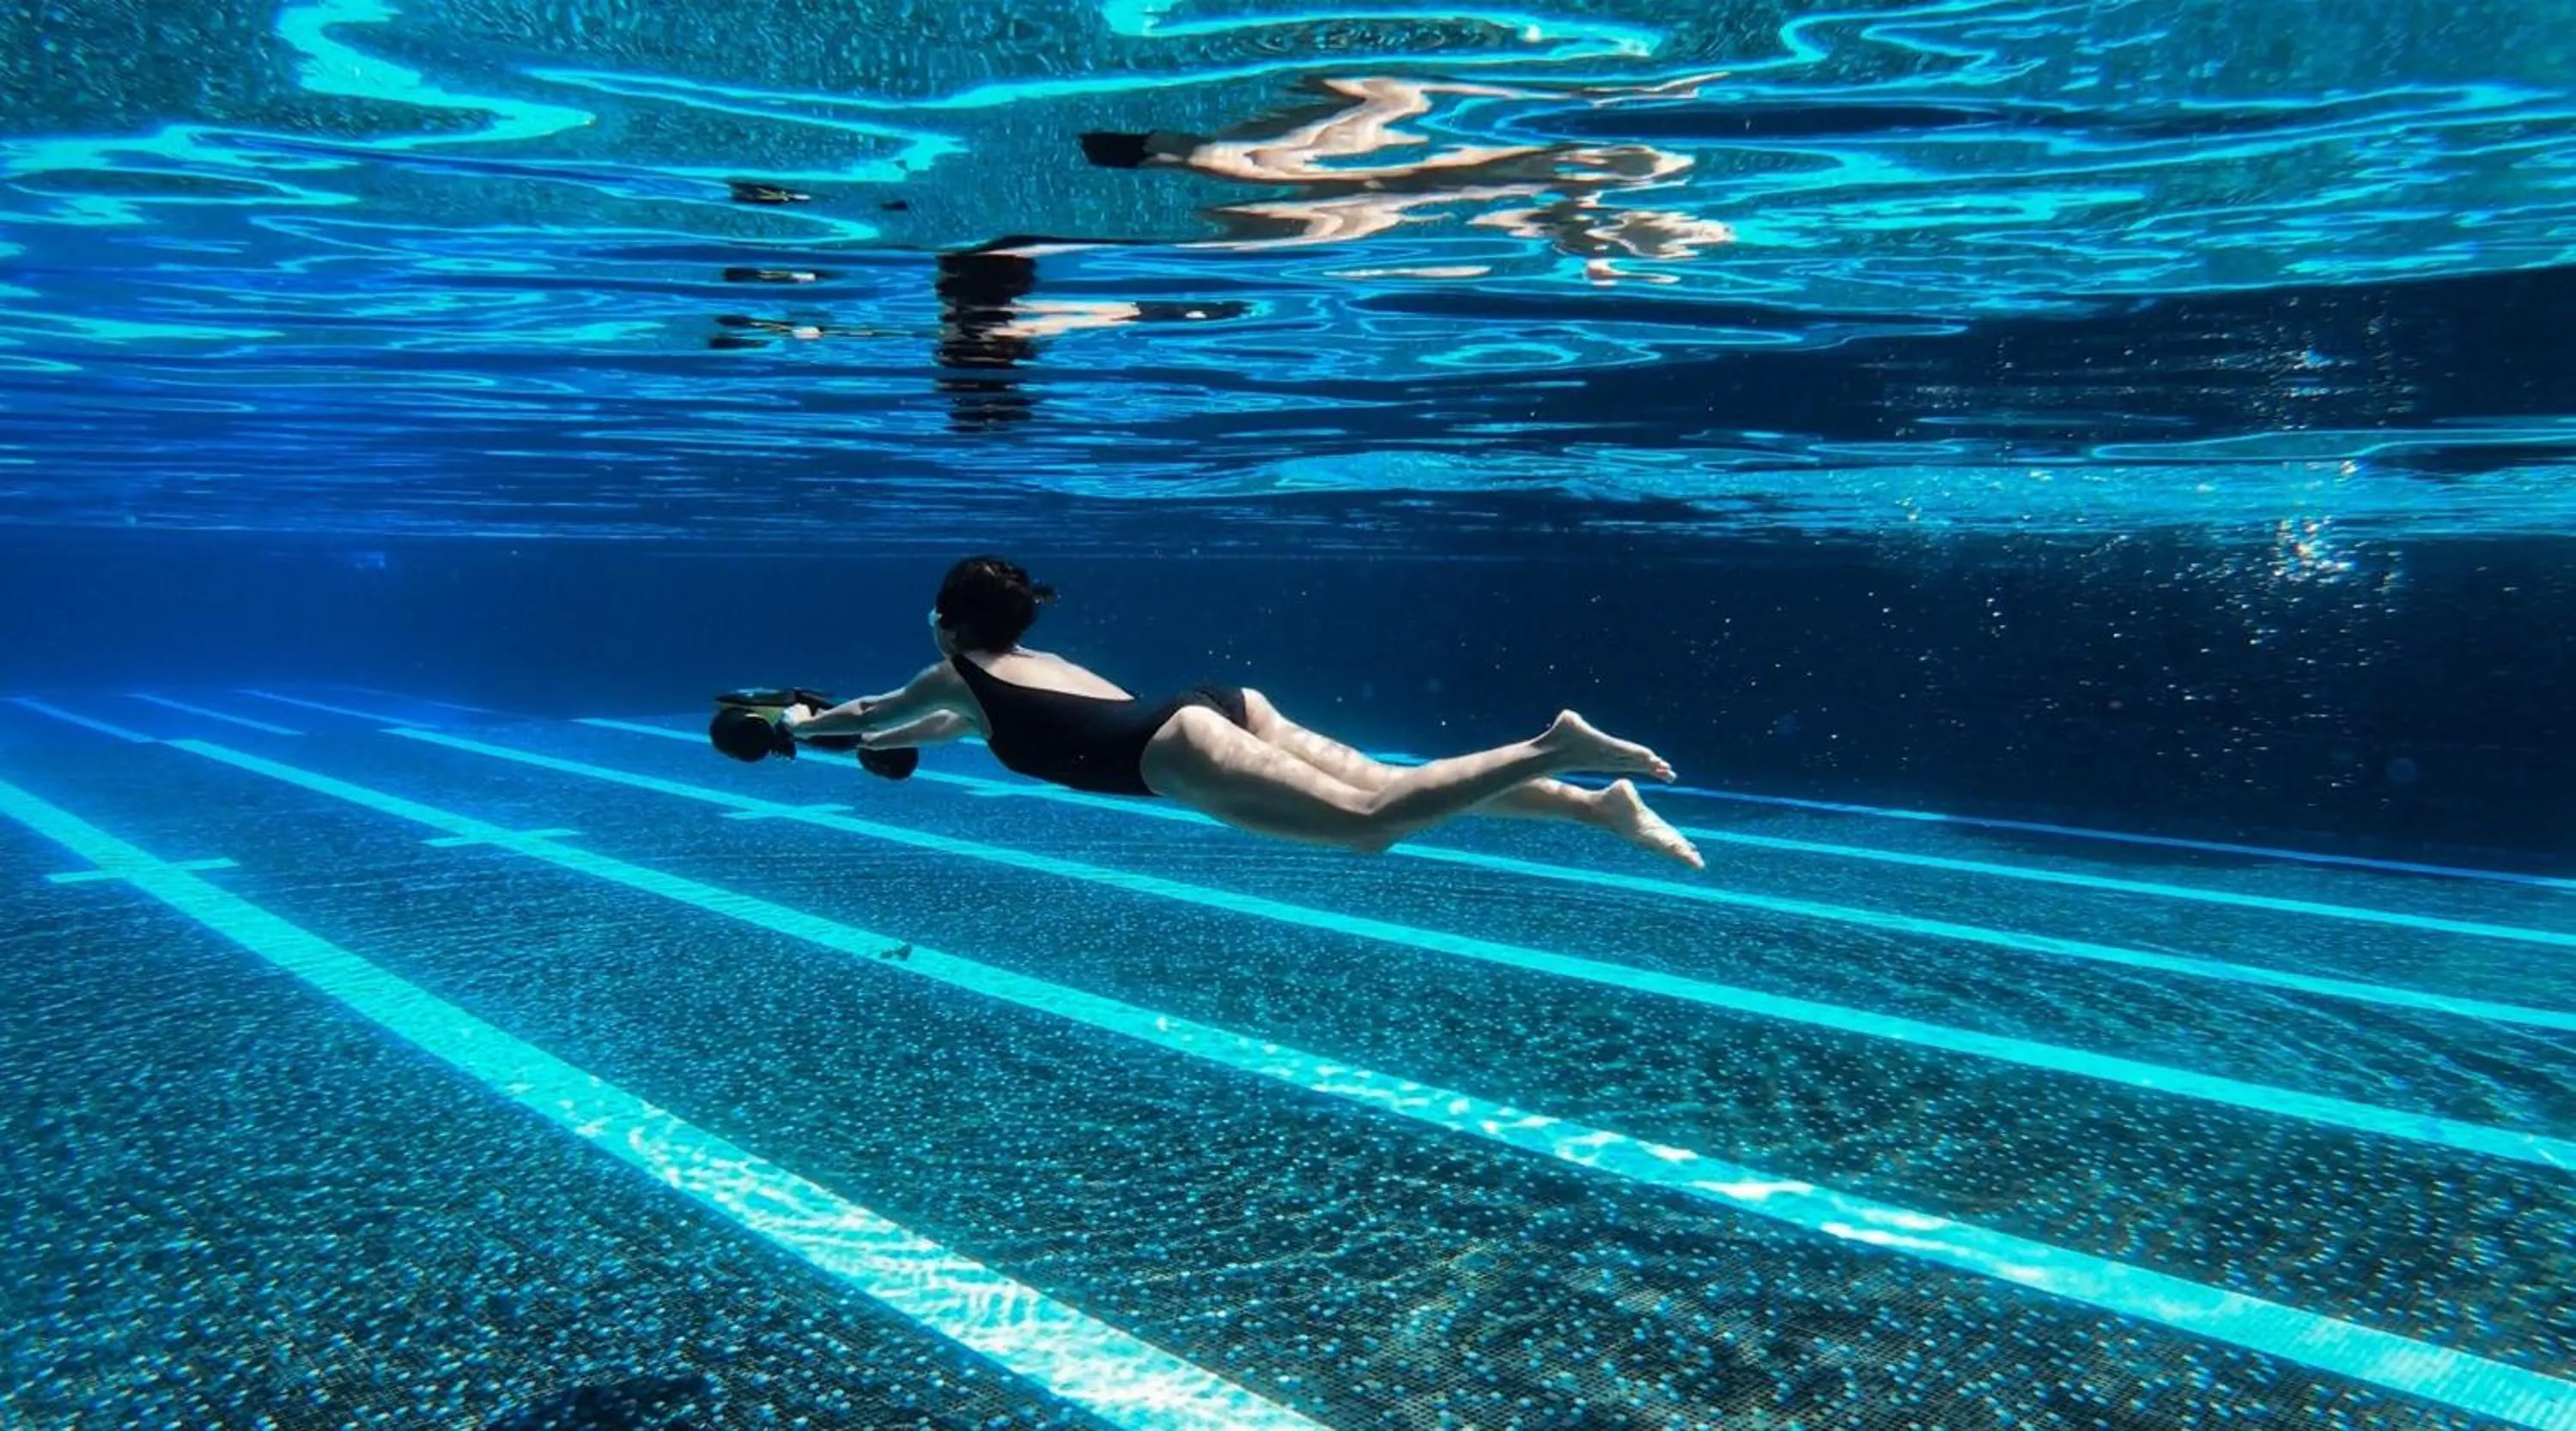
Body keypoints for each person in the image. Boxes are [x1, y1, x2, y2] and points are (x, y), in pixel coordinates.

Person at [781, 557, 1704, 868]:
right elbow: (922, 730)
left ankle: (1557, 744)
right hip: (1215, 705)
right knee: (1386, 786)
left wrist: (794, 727)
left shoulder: (951, 672)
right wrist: (861, 740)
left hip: (1172, 747)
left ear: (946, 622)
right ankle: (1597, 805)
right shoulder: (1019, 674)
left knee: (1369, 826)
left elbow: (870, 709)